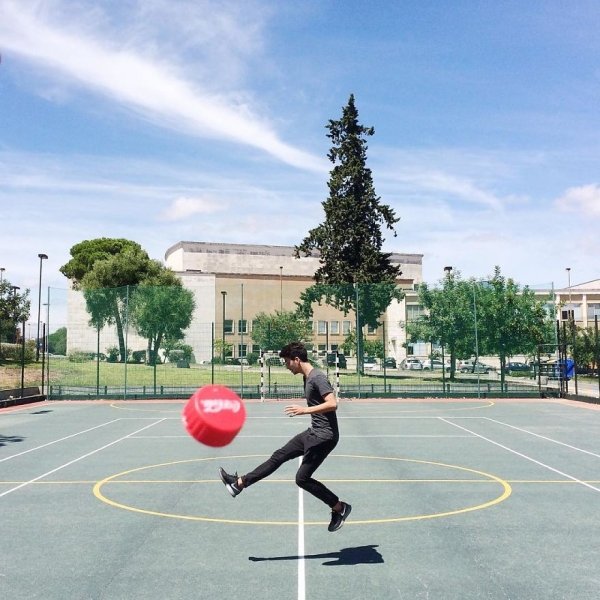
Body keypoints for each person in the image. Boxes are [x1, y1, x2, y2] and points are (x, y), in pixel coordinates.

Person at [219, 341, 352, 532]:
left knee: (302, 478)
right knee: (279, 456)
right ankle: (239, 484)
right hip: (313, 432)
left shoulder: (317, 378)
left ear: (296, 360)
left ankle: (339, 508)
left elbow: (333, 403)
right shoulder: (307, 378)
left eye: (287, 362)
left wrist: (305, 410)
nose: (287, 366)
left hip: (324, 437)